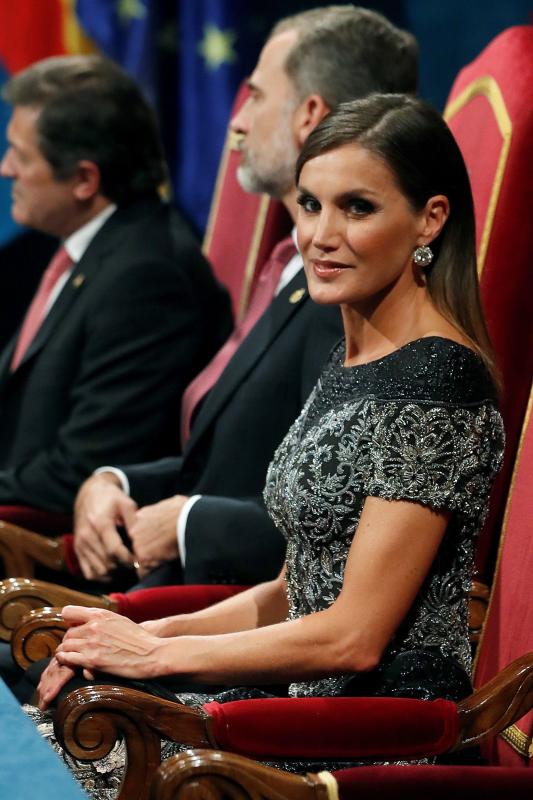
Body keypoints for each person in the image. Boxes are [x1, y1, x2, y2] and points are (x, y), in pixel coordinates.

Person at [27, 93, 504, 794]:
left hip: (372, 735)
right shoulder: (353, 357)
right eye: (309, 205)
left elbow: (352, 636)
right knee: (53, 737)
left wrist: (156, 660)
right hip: (294, 704)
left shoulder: (438, 379)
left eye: (357, 208)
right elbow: (293, 592)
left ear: (429, 218)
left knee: (76, 759)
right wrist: (140, 639)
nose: (320, 234)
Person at [70, 5, 419, 587]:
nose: (236, 124)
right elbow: (226, 463)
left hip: (231, 617)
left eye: (255, 97)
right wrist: (113, 481)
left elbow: (329, 526)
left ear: (309, 115)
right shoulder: (287, 269)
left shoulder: (347, 295)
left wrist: (188, 522)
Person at [0, 55, 232, 513]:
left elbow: (85, 468)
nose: (6, 168)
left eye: (21, 156)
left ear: (85, 179)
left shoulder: (147, 277)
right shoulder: (92, 245)